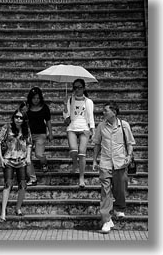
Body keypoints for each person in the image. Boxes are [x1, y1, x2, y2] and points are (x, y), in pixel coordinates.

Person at [92, 101, 136, 233]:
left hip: (120, 162)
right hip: (105, 163)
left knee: (120, 188)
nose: (103, 112)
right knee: (105, 193)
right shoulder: (101, 126)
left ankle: (119, 207)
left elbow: (130, 143)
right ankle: (106, 220)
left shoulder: (124, 125)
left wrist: (129, 155)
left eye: (106, 110)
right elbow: (97, 144)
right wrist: (94, 160)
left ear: (114, 112)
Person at [0, 109, 32, 222]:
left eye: (21, 117)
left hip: (21, 160)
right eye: (17, 116)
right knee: (8, 185)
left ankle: (18, 208)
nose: (18, 119)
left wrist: (28, 157)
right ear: (13, 117)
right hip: (9, 160)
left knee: (22, 185)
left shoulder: (26, 129)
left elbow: (29, 143)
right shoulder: (7, 127)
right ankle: (3, 213)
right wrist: (1, 158)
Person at [63, 79, 95, 188]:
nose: (77, 89)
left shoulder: (88, 102)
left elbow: (91, 116)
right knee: (73, 149)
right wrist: (64, 106)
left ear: (84, 88)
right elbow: (66, 118)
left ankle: (81, 177)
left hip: (84, 127)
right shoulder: (70, 100)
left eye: (79, 87)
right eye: (75, 87)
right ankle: (75, 163)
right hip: (72, 127)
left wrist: (92, 130)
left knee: (82, 153)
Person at [23, 86, 53, 186]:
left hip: (41, 134)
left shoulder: (44, 107)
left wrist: (50, 133)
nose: (36, 100)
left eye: (38, 98)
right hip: (29, 135)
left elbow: (48, 121)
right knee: (27, 157)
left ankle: (44, 163)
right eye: (34, 98)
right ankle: (32, 178)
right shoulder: (27, 108)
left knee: (38, 154)